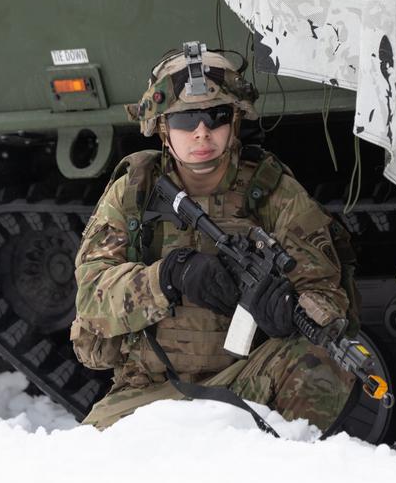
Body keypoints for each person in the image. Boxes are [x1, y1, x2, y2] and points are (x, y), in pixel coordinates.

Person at [69, 42, 356, 431]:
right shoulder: (133, 194)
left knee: (324, 360)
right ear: (163, 129)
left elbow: (326, 294)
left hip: (247, 382)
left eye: (216, 116)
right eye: (186, 121)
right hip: (147, 392)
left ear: (234, 121)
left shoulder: (273, 192)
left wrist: (289, 310)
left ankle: (277, 476)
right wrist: (168, 276)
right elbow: (91, 299)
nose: (202, 133)